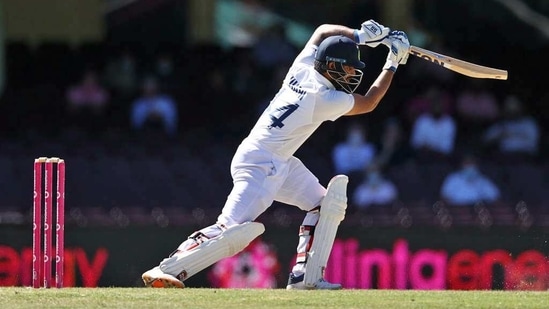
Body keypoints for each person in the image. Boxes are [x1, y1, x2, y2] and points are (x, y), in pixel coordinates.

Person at [142, 19, 410, 290]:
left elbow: (321, 31)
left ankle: (305, 277)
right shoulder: (322, 98)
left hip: (275, 159)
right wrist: (392, 62)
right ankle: (167, 267)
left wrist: (359, 35)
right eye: (349, 67)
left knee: (324, 205)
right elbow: (370, 102)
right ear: (332, 66)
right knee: (231, 230)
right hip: (261, 164)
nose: (353, 73)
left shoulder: (303, 66)